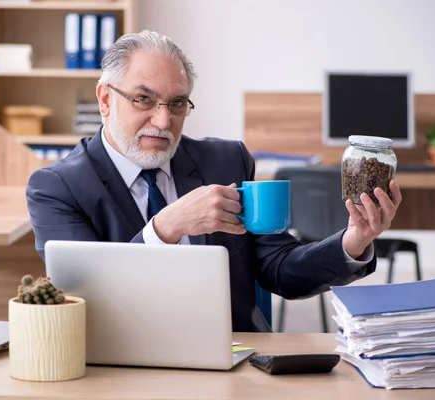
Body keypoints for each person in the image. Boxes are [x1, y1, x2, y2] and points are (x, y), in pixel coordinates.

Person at [26, 30, 402, 332]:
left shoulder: (225, 161)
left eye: (177, 104)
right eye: (143, 99)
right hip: (122, 366)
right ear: (105, 100)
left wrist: (354, 241)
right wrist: (164, 228)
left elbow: (281, 269)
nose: (162, 121)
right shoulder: (56, 187)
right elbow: (84, 301)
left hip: (234, 354)